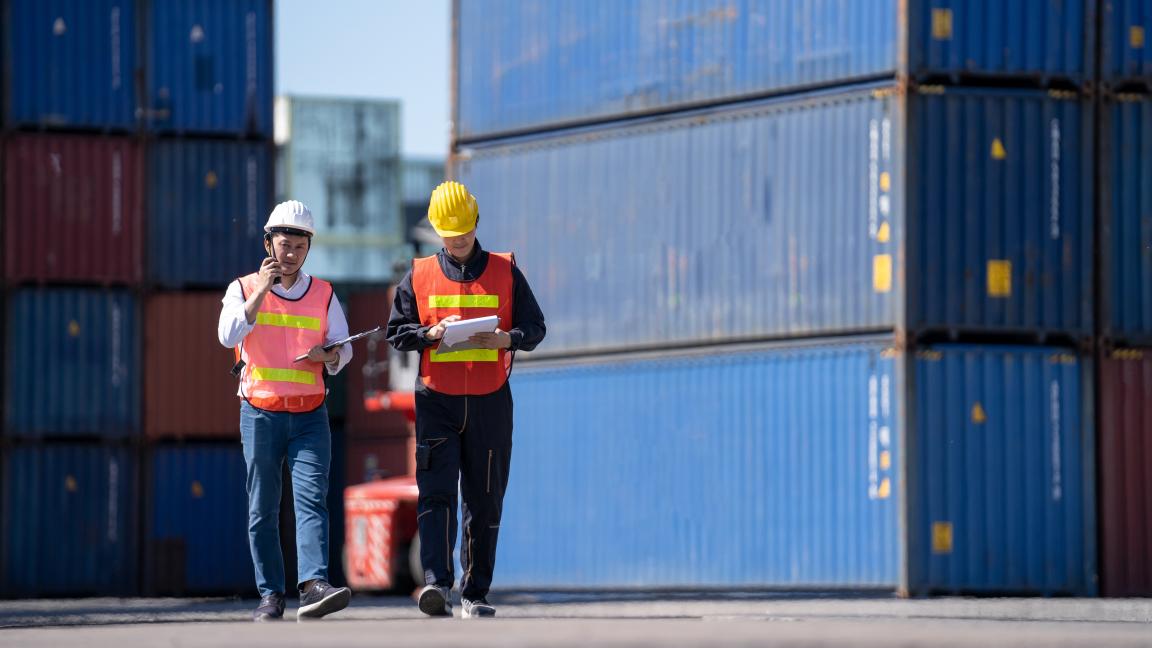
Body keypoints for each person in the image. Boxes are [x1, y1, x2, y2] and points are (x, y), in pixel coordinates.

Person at [386, 181, 546, 619]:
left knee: (485, 498)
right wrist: (429, 334)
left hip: (491, 401)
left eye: (463, 232)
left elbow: (535, 328)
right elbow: (397, 333)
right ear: (437, 231)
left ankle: (476, 593)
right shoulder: (417, 275)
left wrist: (507, 338)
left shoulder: (506, 270)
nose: (456, 241)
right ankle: (436, 585)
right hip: (437, 400)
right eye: (448, 234)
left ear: (476, 222)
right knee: (435, 496)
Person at [217, 199, 353, 622]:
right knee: (263, 508)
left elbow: (344, 348)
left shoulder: (325, 293)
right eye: (283, 243)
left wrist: (330, 356)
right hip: (260, 413)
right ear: (268, 244)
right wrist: (261, 291)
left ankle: (313, 585)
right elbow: (228, 335)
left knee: (312, 501)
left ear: (308, 248)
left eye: (298, 245)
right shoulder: (241, 289)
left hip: (311, 415)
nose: (290, 252)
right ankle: (270, 595)